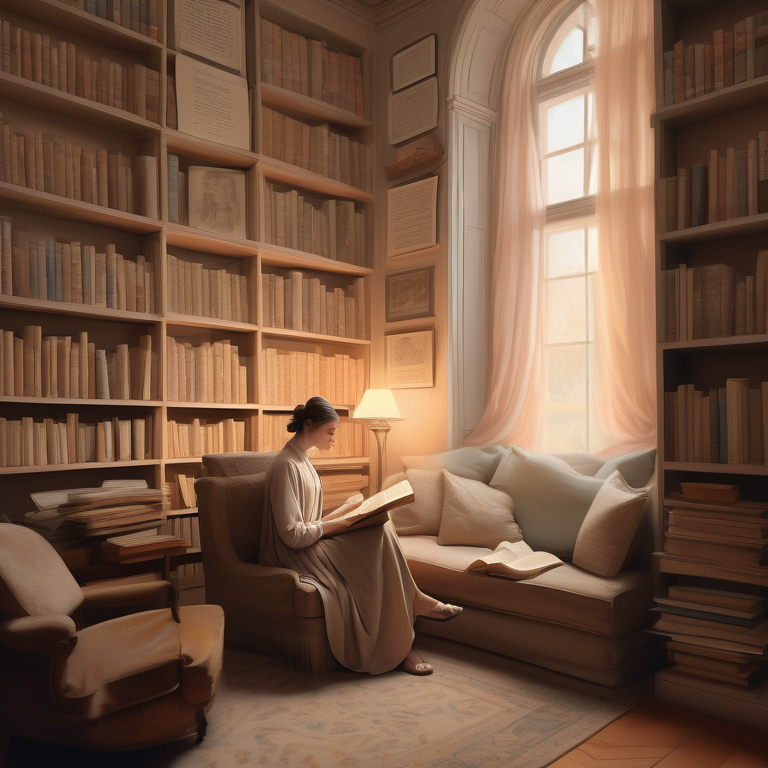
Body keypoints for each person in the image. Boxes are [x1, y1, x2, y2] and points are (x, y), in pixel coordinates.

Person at [260, 396, 462, 676]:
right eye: (331, 432)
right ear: (309, 425)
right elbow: (292, 534)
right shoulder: (287, 466)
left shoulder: (302, 460)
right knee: (374, 538)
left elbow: (310, 522)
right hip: (292, 553)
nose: (333, 439)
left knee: (383, 524)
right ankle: (408, 626)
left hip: (308, 542)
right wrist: (345, 521)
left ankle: (412, 607)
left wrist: (344, 510)